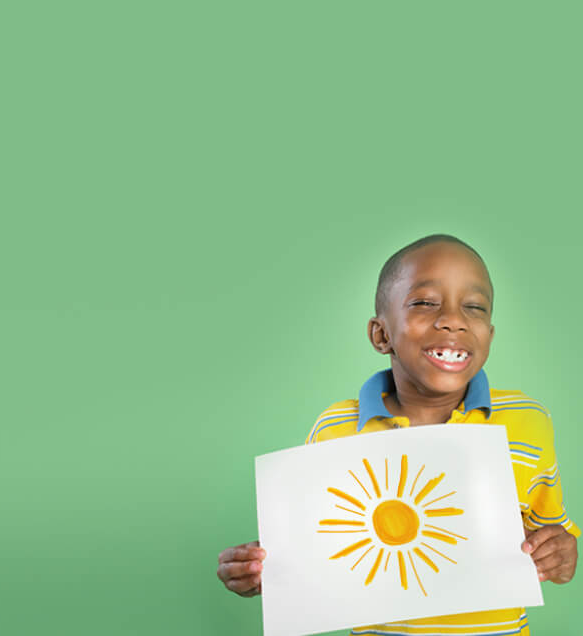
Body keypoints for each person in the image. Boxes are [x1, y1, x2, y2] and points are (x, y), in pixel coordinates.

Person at [216, 234, 579, 635]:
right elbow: (318, 551)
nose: (453, 319)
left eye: (474, 307)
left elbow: (555, 532)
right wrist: (262, 571)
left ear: (489, 337)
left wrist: (561, 554)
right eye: (425, 303)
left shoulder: (528, 421)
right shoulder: (336, 430)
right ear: (381, 335)